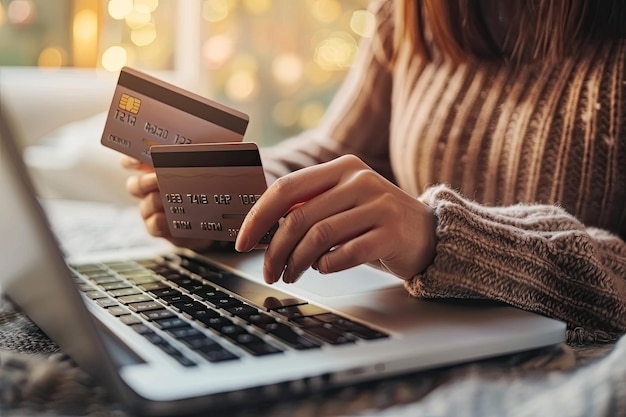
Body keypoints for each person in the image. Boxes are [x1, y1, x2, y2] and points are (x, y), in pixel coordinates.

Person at [123, 0, 626, 345]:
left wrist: (441, 237)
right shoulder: (411, 13)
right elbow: (341, 148)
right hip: (413, 331)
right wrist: (241, 192)